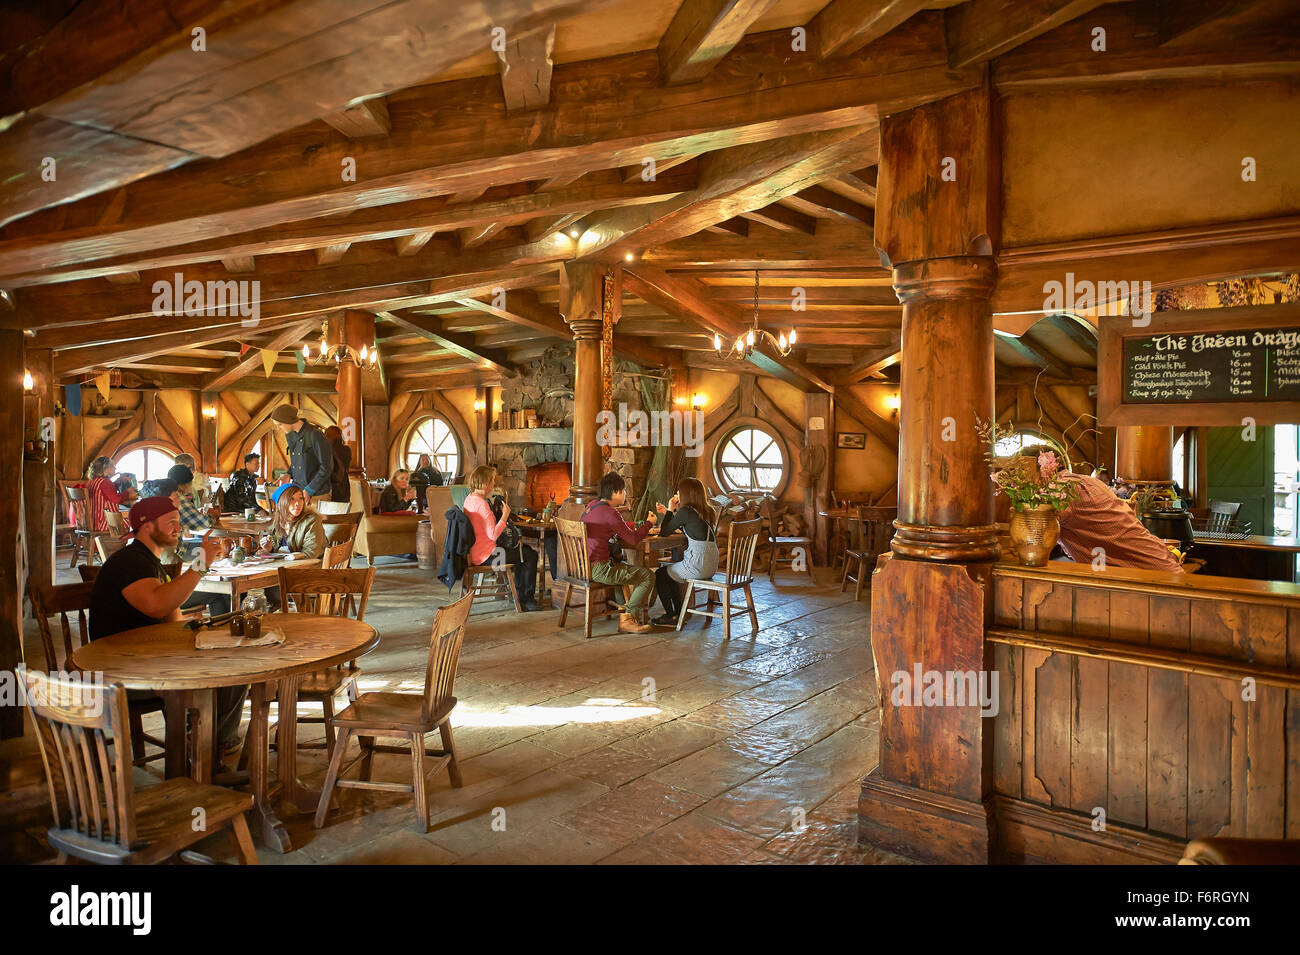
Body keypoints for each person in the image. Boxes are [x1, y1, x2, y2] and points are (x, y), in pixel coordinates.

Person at [89, 497, 246, 766]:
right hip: (121, 668)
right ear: (147, 527)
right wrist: (200, 564)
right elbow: (156, 604)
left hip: (147, 656)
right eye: (170, 521)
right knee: (221, 674)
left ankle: (208, 744)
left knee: (234, 666)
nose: (178, 527)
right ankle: (204, 748)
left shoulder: (149, 561)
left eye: (178, 520)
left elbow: (171, 615)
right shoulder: (130, 562)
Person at [1002, 446, 1184, 573]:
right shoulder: (1081, 481)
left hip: (1149, 577)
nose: (1021, 481)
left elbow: (1033, 534)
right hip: (1151, 569)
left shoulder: (1063, 488)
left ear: (1044, 469)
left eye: (1024, 472)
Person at [581, 471, 658, 633]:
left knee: (621, 565)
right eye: (623, 491)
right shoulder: (611, 513)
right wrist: (649, 524)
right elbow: (634, 539)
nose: (625, 494)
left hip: (583, 566)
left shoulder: (591, 506)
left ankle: (625, 610)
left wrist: (637, 524)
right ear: (615, 492)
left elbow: (616, 526)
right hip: (600, 570)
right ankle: (629, 617)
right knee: (647, 576)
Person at [462, 465, 541, 611]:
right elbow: (493, 535)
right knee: (531, 555)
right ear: (485, 482)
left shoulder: (470, 499)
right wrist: (505, 515)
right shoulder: (482, 505)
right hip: (489, 557)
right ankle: (527, 599)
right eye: (492, 480)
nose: (493, 484)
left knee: (525, 551)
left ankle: (518, 595)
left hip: (475, 552)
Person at [652, 477, 721, 626]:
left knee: (661, 574)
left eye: (679, 491)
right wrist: (668, 512)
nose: (677, 493)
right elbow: (688, 526)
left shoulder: (686, 511)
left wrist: (670, 509)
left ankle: (673, 615)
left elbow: (664, 531)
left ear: (686, 494)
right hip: (711, 565)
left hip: (698, 564)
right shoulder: (707, 511)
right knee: (672, 573)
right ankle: (678, 614)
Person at [270, 404, 333, 503]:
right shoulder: (290, 435)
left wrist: (309, 490)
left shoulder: (315, 434)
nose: (278, 428)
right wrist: (288, 474)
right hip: (299, 493)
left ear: (289, 421)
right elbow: (299, 460)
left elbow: (326, 467)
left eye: (280, 424)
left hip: (318, 495)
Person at [259, 483, 326, 559]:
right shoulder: (278, 522)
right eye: (292, 499)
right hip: (287, 566)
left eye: (301, 498)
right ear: (281, 503)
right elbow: (277, 548)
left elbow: (311, 553)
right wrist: (269, 549)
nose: (297, 503)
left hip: (311, 568)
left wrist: (291, 557)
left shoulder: (311, 521)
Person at [84, 456, 136, 533]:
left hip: (92, 522)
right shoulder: (105, 482)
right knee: (134, 520)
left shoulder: (91, 482)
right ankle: (122, 543)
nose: (115, 469)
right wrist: (128, 492)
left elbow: (106, 491)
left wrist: (118, 482)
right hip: (105, 523)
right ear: (106, 468)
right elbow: (116, 499)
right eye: (113, 466)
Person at [167, 464, 210, 534]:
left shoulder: (164, 494)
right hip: (174, 543)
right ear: (184, 484)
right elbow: (199, 523)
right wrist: (213, 516)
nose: (191, 485)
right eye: (190, 482)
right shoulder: (178, 498)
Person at [324, 425, 351, 505]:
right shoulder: (347, 450)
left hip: (332, 489)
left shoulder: (326, 451)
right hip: (345, 488)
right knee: (343, 516)